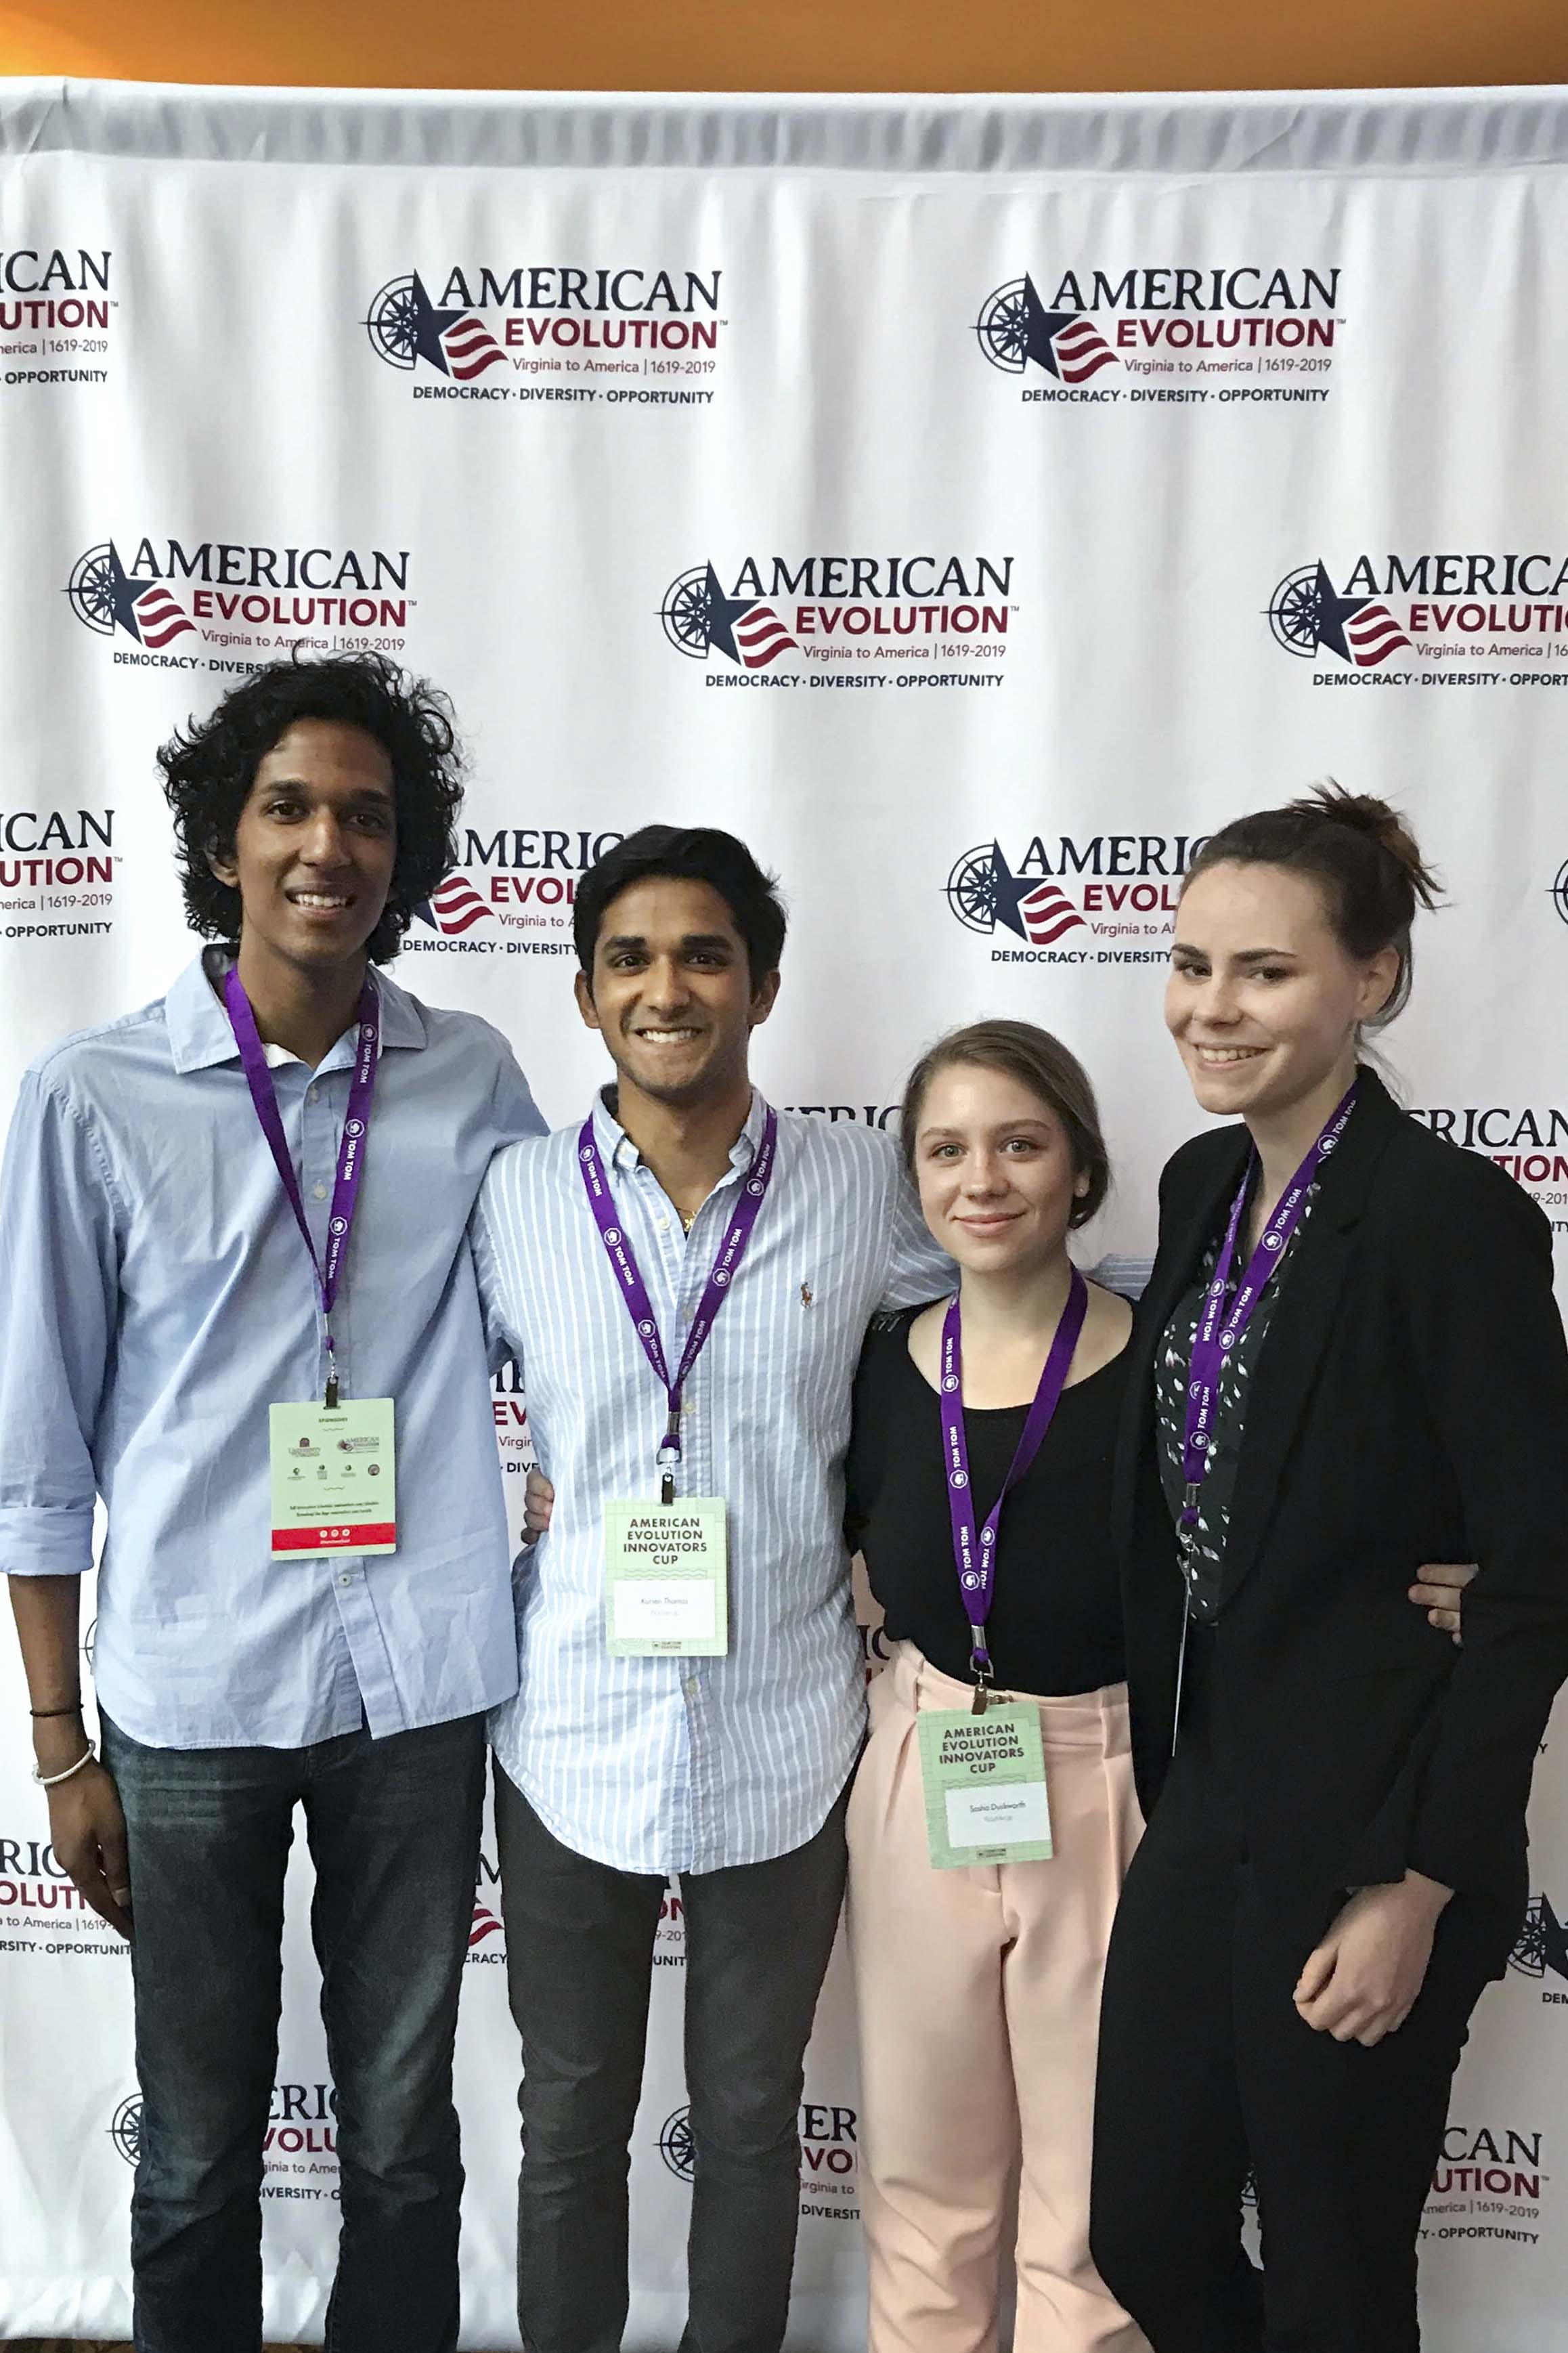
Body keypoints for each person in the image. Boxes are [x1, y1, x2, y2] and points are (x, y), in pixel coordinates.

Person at [0, 654, 545, 2353]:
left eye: (369, 817)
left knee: (400, 2140)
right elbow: (36, 1451)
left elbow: (591, 1309)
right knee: (192, 2143)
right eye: (291, 808)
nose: (332, 845)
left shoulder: (469, 1079)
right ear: (223, 843)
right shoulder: (95, 1097)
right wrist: (60, 1738)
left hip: (418, 1682)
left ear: (407, 854)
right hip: (188, 1689)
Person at [1088, 787, 1568, 2352]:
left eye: (1264, 971)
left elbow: (1538, 1565)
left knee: (1337, 2268)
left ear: (1371, 978)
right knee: (1146, 2227)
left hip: (1376, 1822)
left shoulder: (1453, 1221)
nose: (1211, 1008)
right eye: (1188, 964)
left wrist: (1419, 1882)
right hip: (1211, 1792)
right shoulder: (1198, 1188)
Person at [471, 824, 953, 2353]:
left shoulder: (865, 1186)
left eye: (702, 955)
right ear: (585, 994)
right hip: (567, 1732)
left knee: (753, 2116)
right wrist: (515, 1503)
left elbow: (1016, 1329)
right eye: (629, 958)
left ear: (762, 983)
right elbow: (397, 1398)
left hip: (788, 1728)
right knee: (569, 2120)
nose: (665, 988)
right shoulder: (514, 1198)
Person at [842, 1020, 1146, 2353]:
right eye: (948, 1149)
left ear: (1080, 1167)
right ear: (914, 1179)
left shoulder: (1166, 1360)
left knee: (1096, 2197)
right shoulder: (881, 1366)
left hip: (1108, 1775)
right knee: (926, 2182)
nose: (985, 1177)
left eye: (1021, 1143)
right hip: (924, 1764)